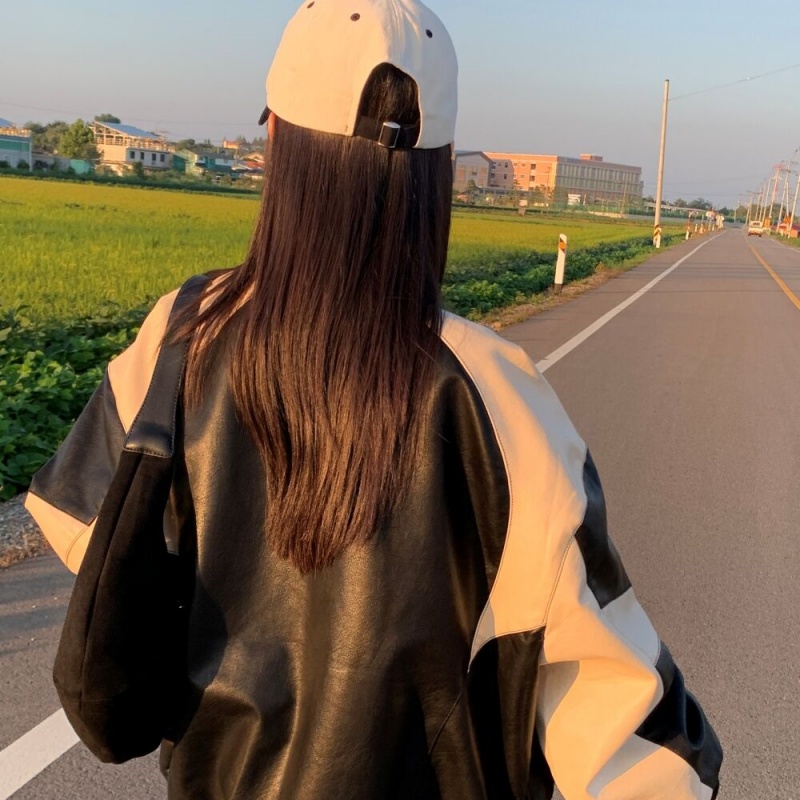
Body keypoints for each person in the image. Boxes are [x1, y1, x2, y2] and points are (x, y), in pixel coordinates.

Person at [25, 0, 722, 797]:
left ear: (277, 140)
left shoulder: (183, 332)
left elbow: (80, 524)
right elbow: (640, 745)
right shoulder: (495, 394)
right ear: (440, 171)